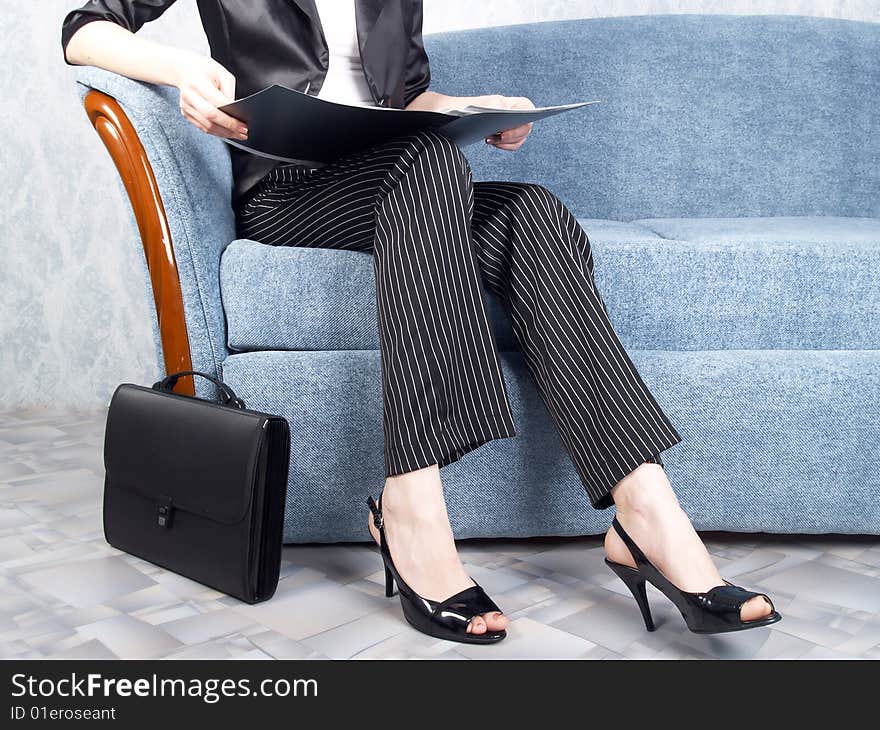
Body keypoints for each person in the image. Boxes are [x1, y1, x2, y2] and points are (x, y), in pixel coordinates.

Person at [61, 0, 780, 644]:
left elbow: (401, 97)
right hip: (286, 192)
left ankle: (645, 511)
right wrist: (182, 68)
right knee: (425, 161)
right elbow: (83, 28)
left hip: (401, 177)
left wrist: (470, 107)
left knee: (529, 214)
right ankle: (410, 505)